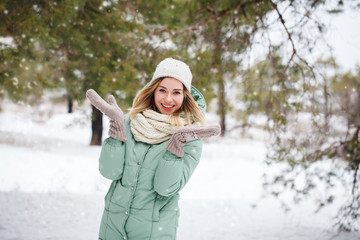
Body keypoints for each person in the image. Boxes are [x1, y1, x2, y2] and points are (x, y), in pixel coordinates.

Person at [86, 57, 220, 240]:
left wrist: (175, 148)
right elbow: (109, 172)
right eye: (162, 90)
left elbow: (166, 188)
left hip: (153, 234)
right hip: (112, 229)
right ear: (152, 90)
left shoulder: (190, 136)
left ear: (185, 96)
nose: (168, 98)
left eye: (176, 92)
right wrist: (116, 134)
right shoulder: (131, 122)